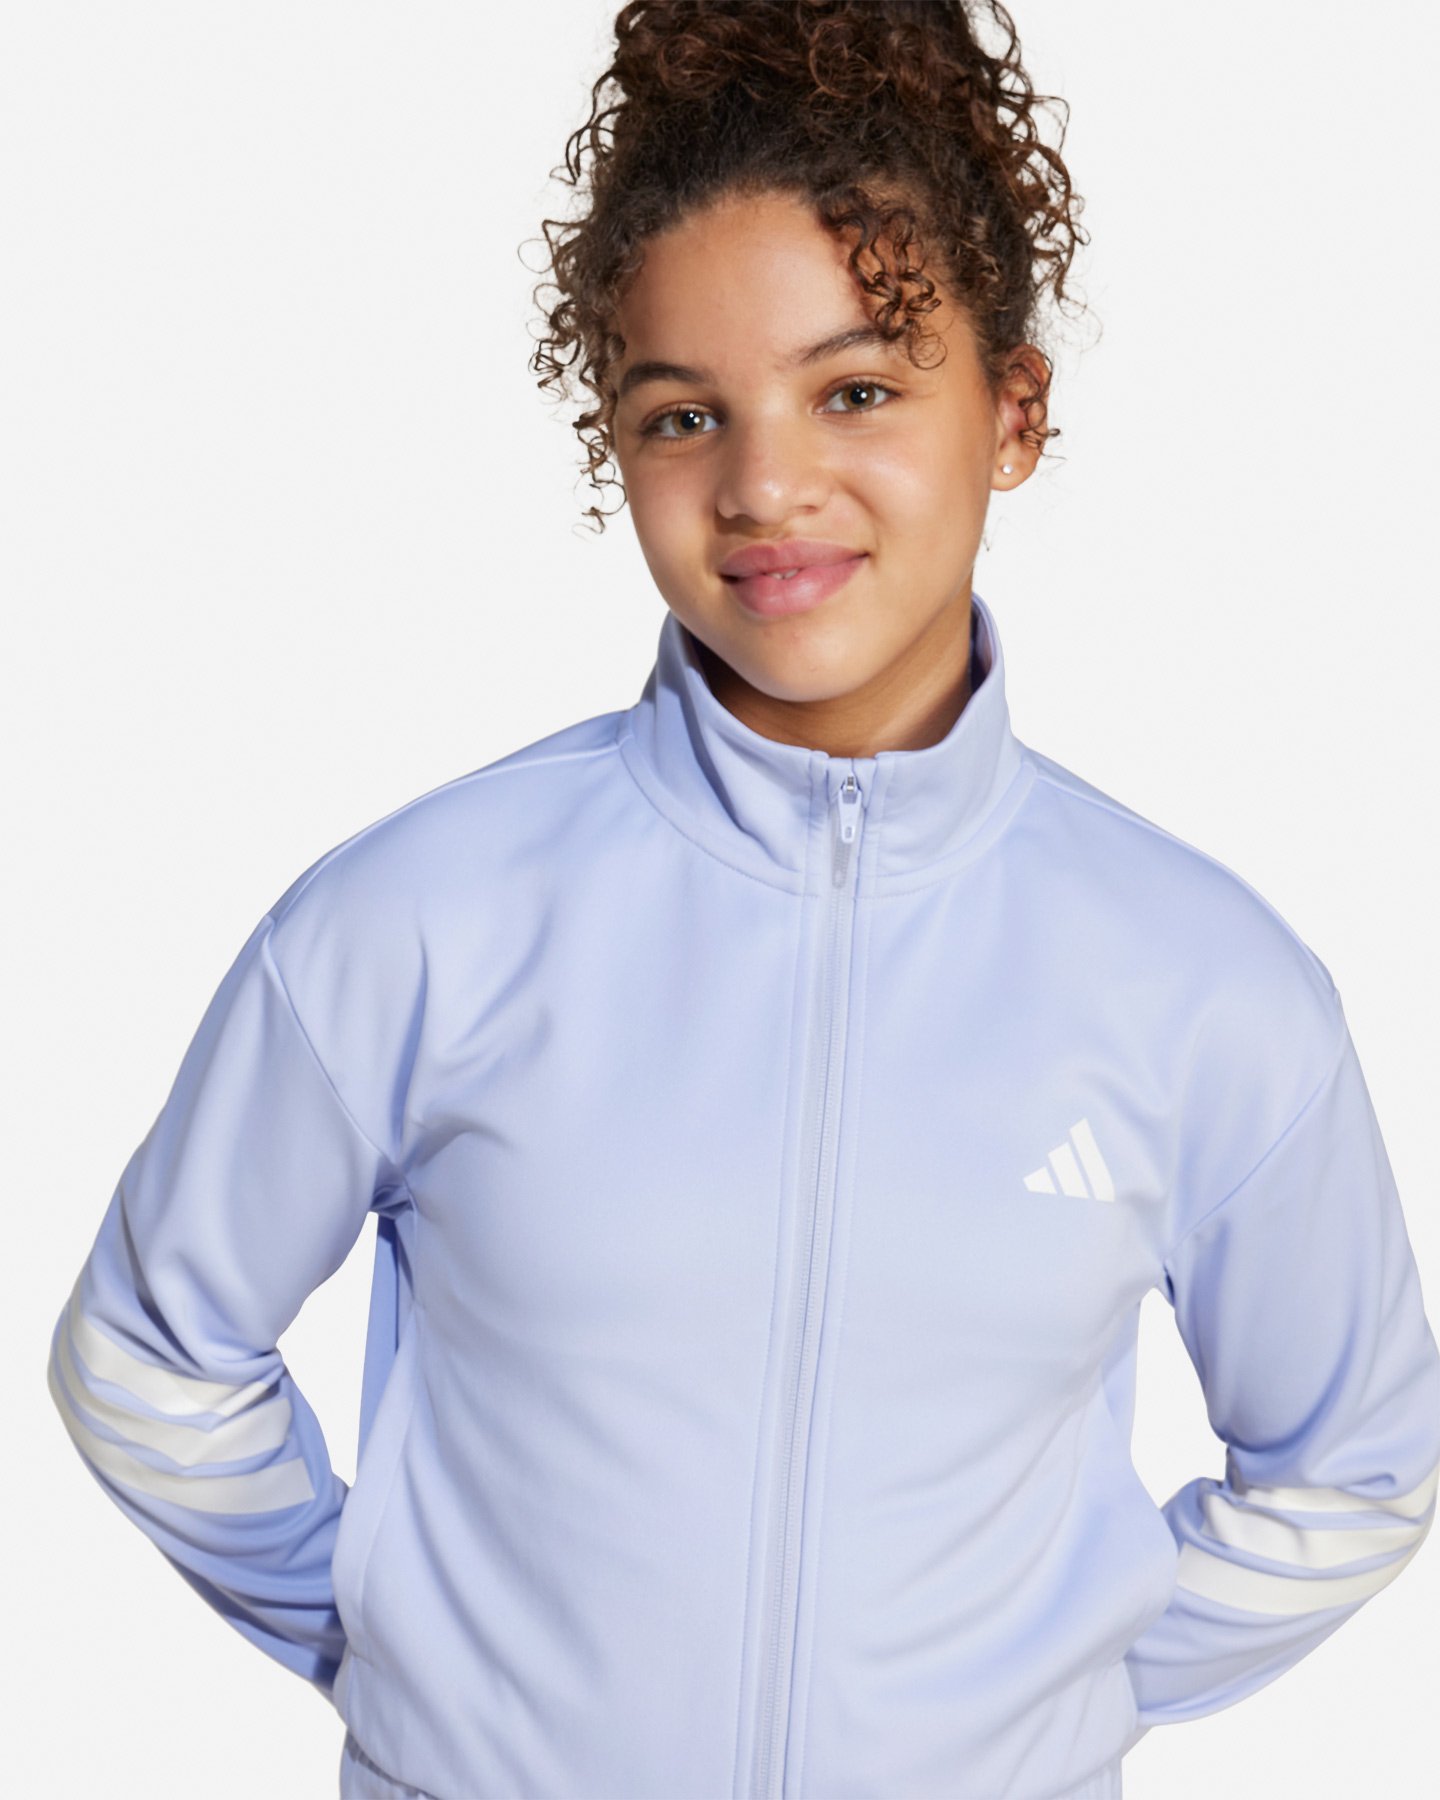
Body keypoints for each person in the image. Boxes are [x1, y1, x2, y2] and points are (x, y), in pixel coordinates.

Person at [46, 4, 1439, 1797]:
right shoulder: (421, 921)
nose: (766, 485)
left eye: (856, 389)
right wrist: (396, 1646)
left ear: (1013, 412)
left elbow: (1355, 1463)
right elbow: (150, 1356)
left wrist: (1046, 1701)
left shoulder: (1202, 983)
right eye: (684, 415)